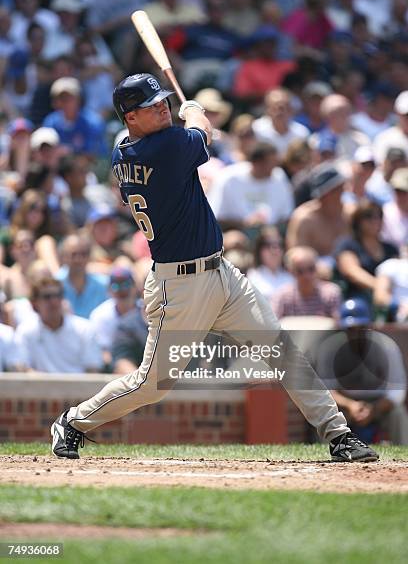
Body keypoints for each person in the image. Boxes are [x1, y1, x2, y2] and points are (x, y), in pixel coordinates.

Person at [50, 72, 378, 463]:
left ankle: (338, 434)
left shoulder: (124, 151)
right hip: (180, 286)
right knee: (153, 383)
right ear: (130, 118)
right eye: (151, 107)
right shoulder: (166, 146)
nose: (162, 108)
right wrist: (195, 112)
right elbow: (202, 134)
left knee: (283, 351)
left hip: (222, 274)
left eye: (164, 102)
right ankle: (73, 421)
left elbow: (188, 140)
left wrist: (186, 118)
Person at [313, 299, 408, 444]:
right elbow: (326, 389)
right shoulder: (330, 348)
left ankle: (403, 456)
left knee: (398, 413)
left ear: (370, 326)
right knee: (325, 414)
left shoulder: (387, 347)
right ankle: (326, 456)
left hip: (379, 403)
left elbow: (398, 390)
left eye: (361, 328)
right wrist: (351, 405)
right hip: (344, 405)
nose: (356, 333)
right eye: (351, 329)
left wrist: (374, 409)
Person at [14, 275, 103, 373]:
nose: (54, 301)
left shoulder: (85, 329)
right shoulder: (25, 331)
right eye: (47, 297)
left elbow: (92, 369)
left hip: (79, 387)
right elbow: (23, 369)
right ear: (34, 303)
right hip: (39, 387)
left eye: (58, 295)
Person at [208, 142, 294, 230]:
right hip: (237, 232)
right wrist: (244, 223)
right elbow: (215, 217)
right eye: (270, 163)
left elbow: (286, 217)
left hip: (272, 234)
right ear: (256, 163)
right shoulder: (228, 178)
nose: (274, 167)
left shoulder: (279, 176)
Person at [335, 199, 399, 304]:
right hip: (359, 298)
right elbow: (351, 271)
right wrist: (380, 287)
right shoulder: (348, 245)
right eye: (369, 216)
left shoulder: (391, 248)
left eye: (379, 216)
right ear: (358, 220)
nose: (376, 220)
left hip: (391, 298)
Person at [89, 266, 147, 368]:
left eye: (126, 284)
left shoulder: (145, 310)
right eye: (116, 286)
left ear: (135, 287)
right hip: (112, 366)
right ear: (109, 290)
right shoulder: (100, 315)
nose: (122, 291)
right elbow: (103, 353)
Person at [275, 246, 342, 319]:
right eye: (300, 271)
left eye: (311, 269)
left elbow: (337, 325)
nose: (307, 275)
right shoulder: (282, 296)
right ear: (291, 272)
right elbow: (273, 325)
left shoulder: (331, 294)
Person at [57, 232, 108, 319]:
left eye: (83, 254)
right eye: (73, 254)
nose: (78, 259)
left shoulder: (103, 285)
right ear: (63, 257)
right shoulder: (55, 284)